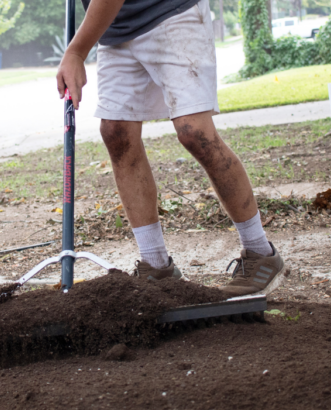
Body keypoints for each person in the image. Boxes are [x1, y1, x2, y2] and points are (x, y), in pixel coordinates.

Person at [56, 0, 284, 298]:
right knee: (116, 133)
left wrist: (75, 51)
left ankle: (260, 253)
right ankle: (156, 265)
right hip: (115, 30)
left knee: (194, 131)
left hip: (171, 12)